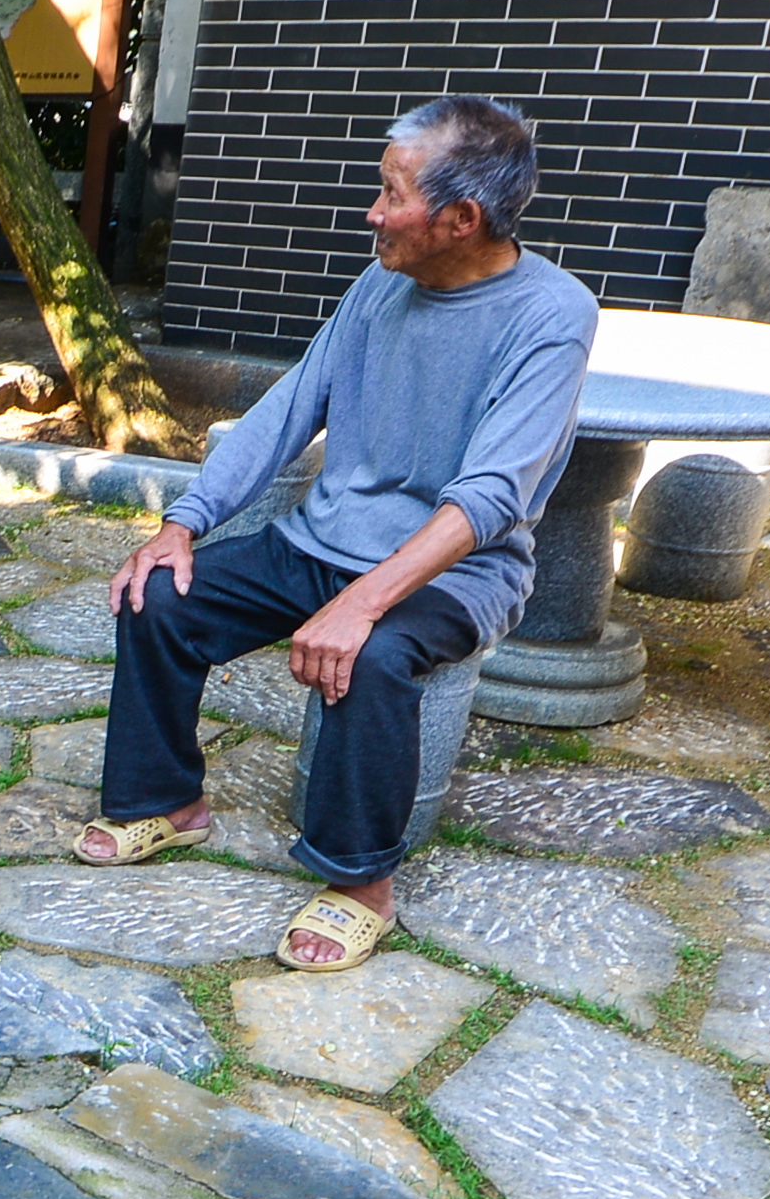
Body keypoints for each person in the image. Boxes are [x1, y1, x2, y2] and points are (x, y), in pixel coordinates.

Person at [81, 94, 592, 972]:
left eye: (391, 194)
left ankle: (363, 886)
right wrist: (183, 523)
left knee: (379, 654)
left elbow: (491, 496)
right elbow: (289, 409)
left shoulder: (552, 316)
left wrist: (362, 604)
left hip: (458, 574)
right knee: (159, 595)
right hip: (323, 541)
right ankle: (166, 802)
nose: (372, 213)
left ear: (461, 218)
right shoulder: (382, 280)